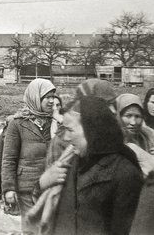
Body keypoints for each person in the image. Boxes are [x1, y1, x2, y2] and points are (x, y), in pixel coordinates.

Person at [34, 96, 143, 235]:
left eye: (70, 130)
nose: (66, 137)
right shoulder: (70, 162)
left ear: (91, 130)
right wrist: (42, 183)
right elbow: (44, 210)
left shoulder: (126, 174)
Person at [2, 78, 56, 234]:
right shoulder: (17, 123)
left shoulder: (54, 122)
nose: (52, 101)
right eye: (48, 97)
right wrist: (8, 189)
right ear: (36, 98)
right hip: (27, 186)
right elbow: (9, 159)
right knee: (32, 227)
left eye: (53, 96)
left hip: (50, 185)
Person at [115, 93, 154, 157]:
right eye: (128, 116)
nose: (133, 122)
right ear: (118, 116)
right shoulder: (111, 140)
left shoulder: (151, 137)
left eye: (137, 116)